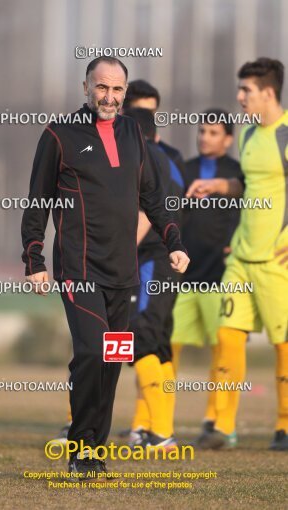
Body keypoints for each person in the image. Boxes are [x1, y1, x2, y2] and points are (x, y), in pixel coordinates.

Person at [21, 56, 189, 477]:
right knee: (92, 352)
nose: (109, 97)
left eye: (117, 90)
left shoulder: (134, 132)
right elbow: (38, 201)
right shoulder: (58, 135)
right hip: (78, 269)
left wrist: (174, 241)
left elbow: (153, 196)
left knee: (111, 362)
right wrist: (34, 260)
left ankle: (93, 454)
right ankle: (80, 448)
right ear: (85, 87)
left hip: (124, 273)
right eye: (101, 88)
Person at [187, 58, 288, 450]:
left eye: (246, 90)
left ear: (268, 92)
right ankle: (222, 427)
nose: (239, 96)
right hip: (241, 260)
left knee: (283, 345)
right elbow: (246, 183)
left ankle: (284, 426)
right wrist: (219, 186)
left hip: (276, 263)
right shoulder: (246, 136)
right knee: (227, 336)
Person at [170, 109, 242, 444]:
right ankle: (158, 423)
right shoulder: (185, 170)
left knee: (222, 350)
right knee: (167, 346)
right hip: (183, 276)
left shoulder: (239, 174)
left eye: (213, 132)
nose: (204, 137)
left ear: (228, 139)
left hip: (221, 276)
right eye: (201, 131)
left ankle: (215, 423)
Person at [123, 107, 184, 450]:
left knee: (140, 340)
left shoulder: (142, 156)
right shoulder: (170, 160)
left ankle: (161, 433)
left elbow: (147, 213)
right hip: (169, 261)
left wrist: (117, 256)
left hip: (149, 261)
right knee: (159, 347)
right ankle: (148, 428)